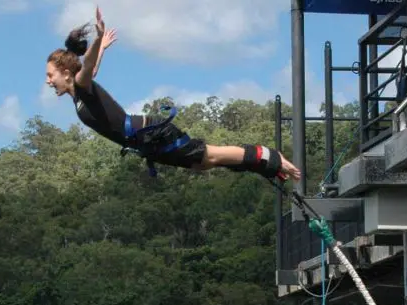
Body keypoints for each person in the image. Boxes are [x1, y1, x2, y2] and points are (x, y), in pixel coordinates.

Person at [44, 6, 301, 182]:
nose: (47, 81)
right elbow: (92, 68)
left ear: (66, 73)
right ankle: (261, 163)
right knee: (203, 163)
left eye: (50, 75)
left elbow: (87, 66)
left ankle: (266, 156)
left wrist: (99, 40)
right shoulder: (79, 94)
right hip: (144, 142)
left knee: (208, 155)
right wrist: (103, 48)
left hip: (149, 134)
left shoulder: (81, 86)